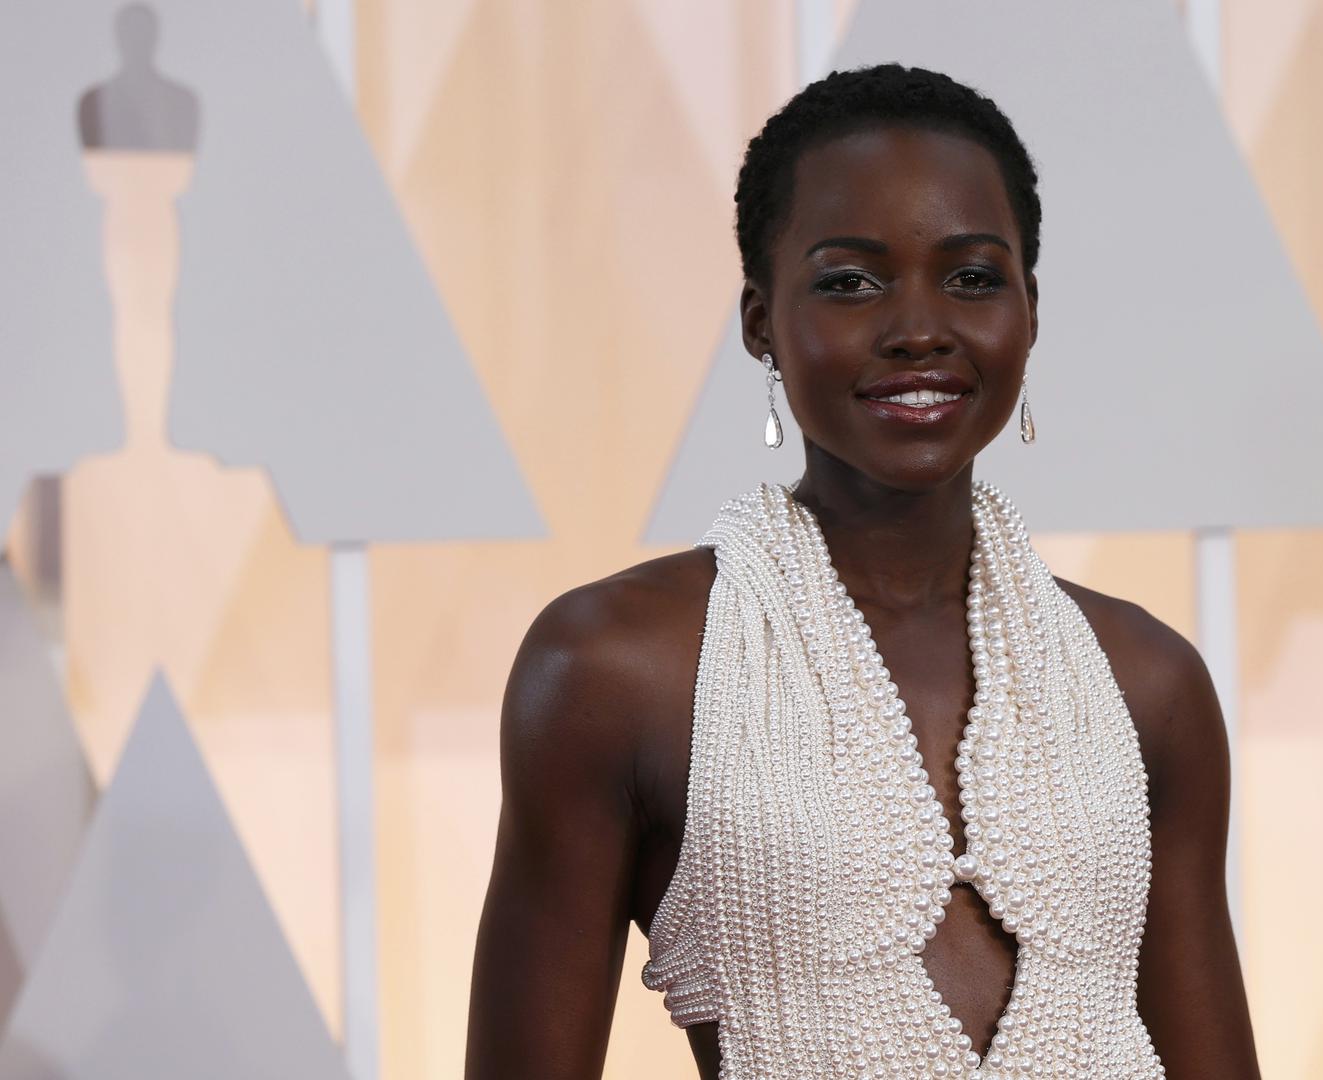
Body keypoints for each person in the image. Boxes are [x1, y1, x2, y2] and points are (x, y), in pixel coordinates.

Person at [465, 63, 1260, 1078]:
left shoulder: (1146, 683)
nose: (919, 328)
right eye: (850, 282)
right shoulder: (616, 668)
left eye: (972, 278)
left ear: (1029, 310)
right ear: (761, 321)